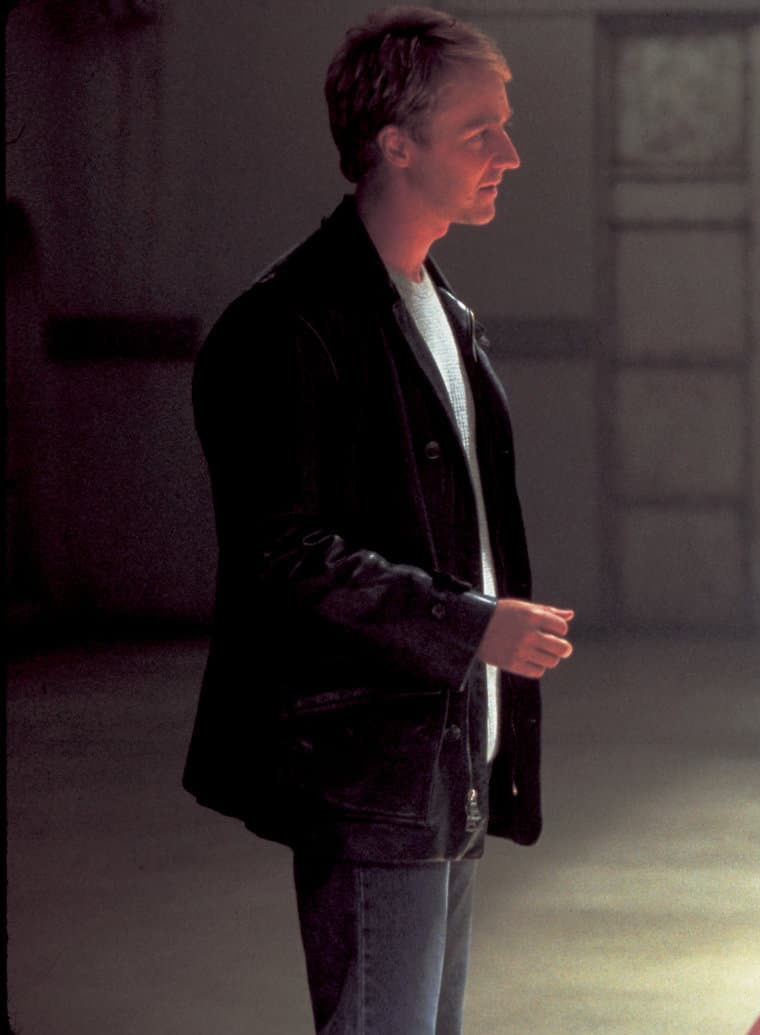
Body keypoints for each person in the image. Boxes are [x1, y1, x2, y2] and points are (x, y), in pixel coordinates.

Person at [184, 8, 573, 1032]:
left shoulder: (437, 307)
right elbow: (284, 554)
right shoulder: (284, 327)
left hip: (442, 752)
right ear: (394, 145)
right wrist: (471, 625)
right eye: (480, 132)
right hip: (369, 771)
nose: (510, 155)